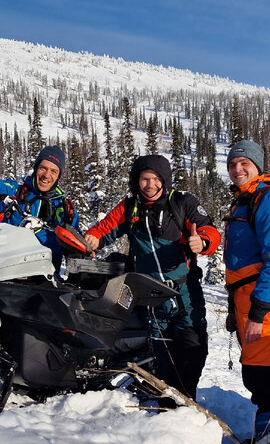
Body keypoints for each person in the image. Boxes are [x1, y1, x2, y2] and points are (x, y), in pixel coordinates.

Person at [84, 154, 221, 399]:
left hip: (184, 293)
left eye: (156, 179)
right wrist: (93, 237)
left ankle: (186, 402)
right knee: (162, 357)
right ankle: (166, 406)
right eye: (144, 179)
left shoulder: (181, 202)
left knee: (193, 351)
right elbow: (104, 228)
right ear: (136, 182)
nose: (150, 185)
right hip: (152, 298)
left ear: (164, 180)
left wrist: (203, 241)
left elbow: (209, 229)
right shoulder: (130, 208)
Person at [223, 140, 270, 439]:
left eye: (244, 163)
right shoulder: (245, 200)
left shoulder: (269, 200)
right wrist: (236, 311)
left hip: (268, 303)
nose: (237, 169)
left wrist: (258, 310)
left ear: (258, 166)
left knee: (263, 374)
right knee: (262, 373)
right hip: (249, 302)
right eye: (232, 164)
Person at [0, 120, 79, 260]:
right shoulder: (15, 193)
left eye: (53, 171)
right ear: (36, 169)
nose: (46, 175)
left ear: (58, 176)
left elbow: (75, 249)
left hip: (46, 276)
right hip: (8, 271)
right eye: (43, 168)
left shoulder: (65, 209)